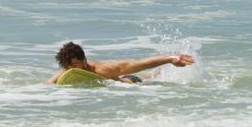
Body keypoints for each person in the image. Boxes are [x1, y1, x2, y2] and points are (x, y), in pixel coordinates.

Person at [46, 42, 194, 84]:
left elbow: (137, 64)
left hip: (128, 81)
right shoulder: (65, 72)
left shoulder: (103, 69)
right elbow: (45, 86)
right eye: (68, 67)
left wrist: (169, 58)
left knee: (138, 78)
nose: (72, 70)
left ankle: (155, 74)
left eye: (75, 65)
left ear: (84, 61)